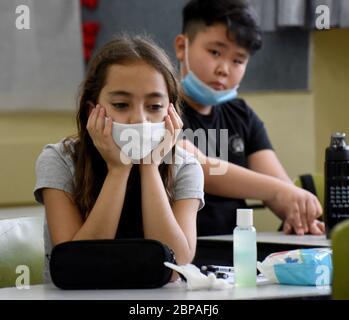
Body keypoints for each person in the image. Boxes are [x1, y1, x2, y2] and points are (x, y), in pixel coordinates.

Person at [34, 35, 204, 282]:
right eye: (122, 105)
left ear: (172, 114)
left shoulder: (186, 167)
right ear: (93, 111)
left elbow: (175, 268)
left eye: (155, 106)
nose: (139, 119)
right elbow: (78, 266)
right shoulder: (59, 159)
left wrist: (149, 166)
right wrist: (118, 169)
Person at [174, 0, 325, 236]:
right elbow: (197, 166)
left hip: (237, 248)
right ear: (182, 46)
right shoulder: (158, 105)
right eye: (215, 52)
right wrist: (277, 191)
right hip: (183, 249)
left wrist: (298, 213)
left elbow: (277, 183)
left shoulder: (241, 114)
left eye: (238, 60)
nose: (224, 68)